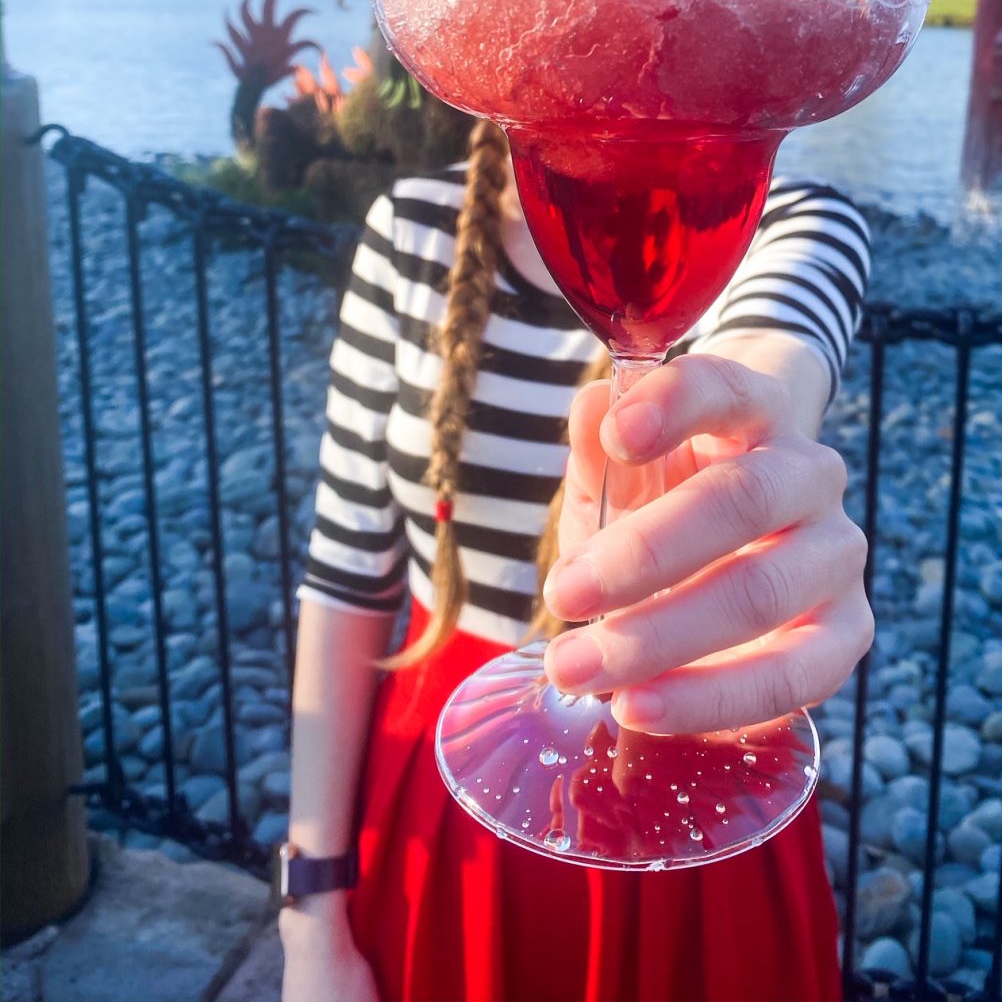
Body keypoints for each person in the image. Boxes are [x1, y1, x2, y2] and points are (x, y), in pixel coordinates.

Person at [281, 118, 874, 1002]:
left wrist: (754, 447)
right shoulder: (412, 229)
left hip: (690, 803)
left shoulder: (782, 222)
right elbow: (345, 577)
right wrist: (311, 916)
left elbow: (774, 354)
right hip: (450, 787)